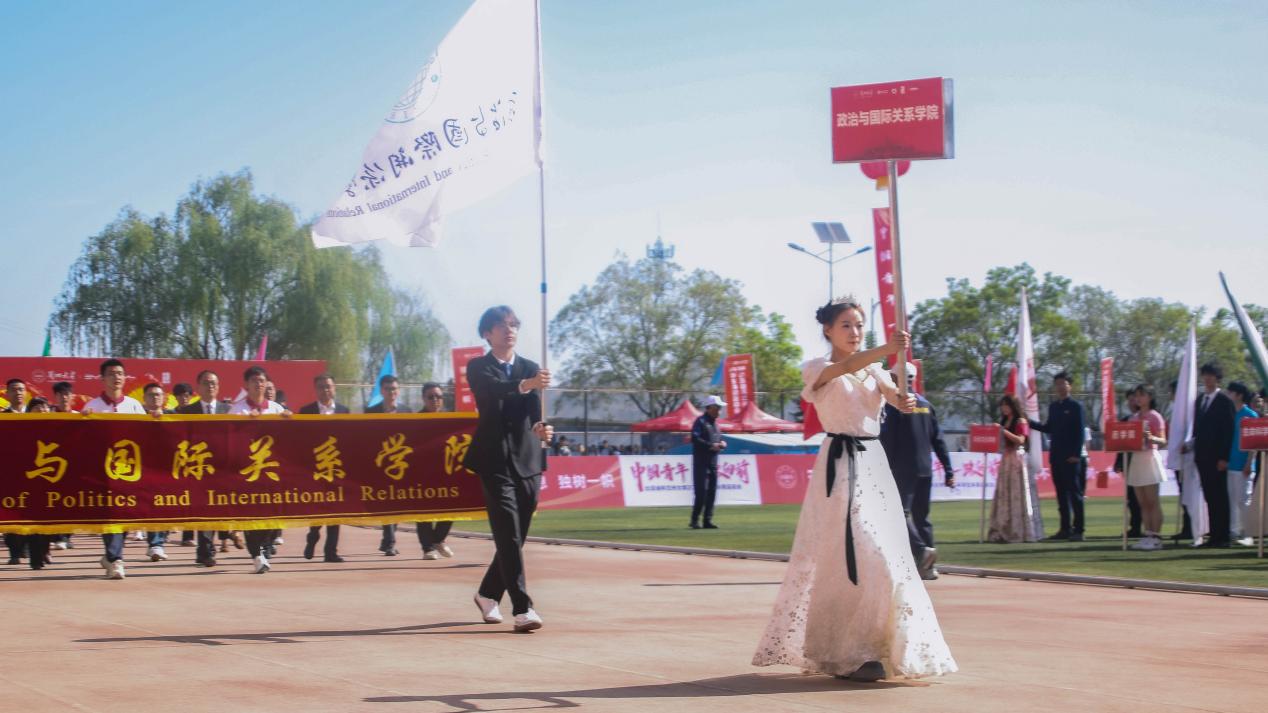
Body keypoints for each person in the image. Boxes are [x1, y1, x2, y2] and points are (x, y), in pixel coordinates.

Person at [754, 297, 956, 682]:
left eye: (860, 325)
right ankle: (846, 651)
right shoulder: (818, 368)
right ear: (828, 330)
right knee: (852, 556)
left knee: (884, 556)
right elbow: (846, 367)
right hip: (839, 467)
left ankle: (878, 647)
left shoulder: (875, 370)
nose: (855, 332)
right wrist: (888, 348)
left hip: (873, 464)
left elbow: (895, 397)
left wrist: (903, 399)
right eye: (846, 325)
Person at [465, 306, 552, 633]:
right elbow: (493, 392)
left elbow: (533, 412)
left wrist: (542, 427)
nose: (509, 330)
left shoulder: (530, 367)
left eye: (513, 324)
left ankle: (488, 593)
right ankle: (522, 608)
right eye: (502, 325)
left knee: (516, 535)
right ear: (487, 333)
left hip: (527, 460)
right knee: (508, 532)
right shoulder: (478, 367)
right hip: (494, 459)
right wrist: (527, 383)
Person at [879, 361, 955, 579]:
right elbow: (938, 440)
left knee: (897, 513)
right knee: (923, 518)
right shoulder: (926, 405)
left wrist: (882, 466)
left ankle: (921, 551)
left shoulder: (895, 405)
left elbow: (888, 440)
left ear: (896, 378)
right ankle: (929, 567)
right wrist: (948, 470)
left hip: (903, 468)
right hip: (925, 469)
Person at [83, 358, 147, 580]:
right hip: (102, 471)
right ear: (102, 379)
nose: (116, 377)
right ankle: (116, 559)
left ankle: (111, 557)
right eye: (111, 374)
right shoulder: (91, 407)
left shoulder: (134, 406)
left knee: (125, 514)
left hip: (129, 470)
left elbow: (148, 435)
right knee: (109, 514)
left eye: (120, 373)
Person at [227, 366, 291, 573]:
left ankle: (264, 547)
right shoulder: (237, 410)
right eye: (254, 380)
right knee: (251, 514)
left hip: (272, 472)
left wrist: (290, 421)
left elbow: (290, 436)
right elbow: (227, 437)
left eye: (262, 380)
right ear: (246, 384)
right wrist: (244, 424)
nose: (258, 384)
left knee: (273, 513)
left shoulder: (276, 409)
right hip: (247, 472)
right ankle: (257, 554)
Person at [176, 369, 235, 565]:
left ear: (218, 387)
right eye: (206, 383)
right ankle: (205, 549)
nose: (210, 386)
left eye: (213, 383)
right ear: (198, 387)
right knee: (203, 508)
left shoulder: (228, 410)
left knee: (218, 508)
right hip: (198, 467)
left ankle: (210, 547)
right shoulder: (187, 411)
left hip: (222, 468)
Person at [1029, 372, 1087, 542]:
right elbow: (1048, 428)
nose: (1060, 387)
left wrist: (1076, 454)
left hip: (1071, 458)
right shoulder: (1054, 407)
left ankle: (1079, 529)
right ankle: (1065, 528)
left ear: (1069, 386)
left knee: (1075, 494)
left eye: (1063, 383)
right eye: (1057, 384)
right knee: (1061, 494)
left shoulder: (1076, 406)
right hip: (1056, 457)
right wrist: (1029, 422)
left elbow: (1080, 432)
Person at [300, 373, 348, 562]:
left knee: (336, 509)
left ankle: (331, 552)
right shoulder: (306, 412)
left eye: (328, 386)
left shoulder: (344, 411)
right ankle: (312, 537)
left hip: (336, 467)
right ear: (315, 390)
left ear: (334, 388)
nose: (325, 390)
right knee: (318, 508)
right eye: (321, 387)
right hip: (315, 468)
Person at [1189, 363, 1236, 547]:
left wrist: (1224, 457)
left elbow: (1229, 432)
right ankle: (1214, 535)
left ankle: (1223, 536)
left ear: (1217, 378)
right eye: (1205, 375)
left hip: (1218, 458)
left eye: (1211, 375)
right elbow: (1197, 429)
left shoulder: (1224, 401)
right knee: (1209, 496)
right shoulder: (1200, 400)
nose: (1207, 378)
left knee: (1220, 497)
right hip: (1202, 457)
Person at [987, 394, 1040, 543]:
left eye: (1006, 405)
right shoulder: (1004, 421)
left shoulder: (1020, 421)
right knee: (1005, 493)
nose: (1004, 408)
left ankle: (1019, 530)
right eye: (1002, 405)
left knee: (1017, 493)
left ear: (1013, 406)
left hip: (1017, 459)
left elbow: (1020, 440)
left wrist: (1003, 431)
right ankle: (1003, 528)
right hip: (1006, 458)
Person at [366, 374, 405, 556]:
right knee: (386, 503)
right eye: (388, 389)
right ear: (381, 391)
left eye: (394, 389)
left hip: (401, 464)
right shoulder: (371, 412)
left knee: (398, 504)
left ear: (398, 391)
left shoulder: (407, 412)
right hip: (380, 464)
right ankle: (390, 543)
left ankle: (386, 539)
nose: (391, 392)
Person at [1126, 385, 1169, 551]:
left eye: (1142, 395)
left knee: (1152, 501)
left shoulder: (1155, 416)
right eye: (1136, 395)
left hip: (1149, 457)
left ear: (1150, 397)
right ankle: (1148, 535)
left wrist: (1151, 437)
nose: (1138, 398)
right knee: (1142, 502)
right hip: (1136, 458)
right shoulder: (1134, 418)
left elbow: (1163, 440)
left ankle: (1156, 537)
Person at [416, 381, 456, 560]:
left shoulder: (449, 420)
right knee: (423, 511)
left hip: (444, 473)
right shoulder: (414, 421)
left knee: (452, 505)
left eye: (438, 396)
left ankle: (439, 539)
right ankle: (428, 548)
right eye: (430, 397)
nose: (435, 400)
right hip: (422, 473)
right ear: (423, 399)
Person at [1226, 382, 1258, 545]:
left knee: (1243, 500)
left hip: (1244, 465)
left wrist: (1249, 462)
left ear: (1239, 395)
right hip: (1231, 464)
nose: (1228, 395)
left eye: (1230, 392)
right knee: (1232, 500)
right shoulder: (1230, 414)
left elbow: (1254, 442)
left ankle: (1248, 533)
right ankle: (1234, 531)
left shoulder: (1250, 415)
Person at [690, 395, 727, 529]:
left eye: (720, 407)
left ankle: (707, 520)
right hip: (701, 463)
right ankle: (694, 520)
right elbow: (695, 438)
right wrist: (710, 445)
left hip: (713, 463)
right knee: (701, 493)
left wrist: (722, 443)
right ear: (710, 407)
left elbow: (718, 439)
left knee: (712, 493)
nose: (720, 410)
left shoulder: (716, 425)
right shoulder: (700, 421)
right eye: (718, 407)